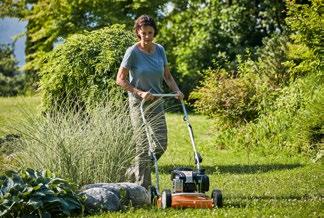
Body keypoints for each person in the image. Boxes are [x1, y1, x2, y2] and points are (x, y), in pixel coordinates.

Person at [116, 15, 184, 189]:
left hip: (157, 102)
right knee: (143, 146)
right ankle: (143, 189)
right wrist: (140, 92)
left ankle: (133, 171)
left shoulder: (160, 49)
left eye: (150, 33)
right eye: (144, 32)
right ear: (138, 32)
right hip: (138, 103)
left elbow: (167, 76)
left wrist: (176, 91)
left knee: (161, 143)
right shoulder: (132, 52)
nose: (147, 36)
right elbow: (121, 79)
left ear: (154, 33)